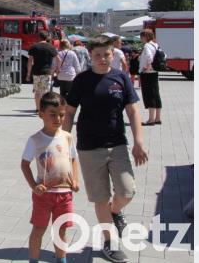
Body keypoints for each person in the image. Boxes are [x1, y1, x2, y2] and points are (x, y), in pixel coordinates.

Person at [62, 35, 148, 263]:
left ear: (113, 54)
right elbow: (70, 112)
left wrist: (138, 141)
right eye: (97, 55)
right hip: (89, 147)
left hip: (117, 144)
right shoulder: (82, 80)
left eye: (106, 54)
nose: (102, 59)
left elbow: (132, 111)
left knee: (127, 191)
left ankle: (115, 210)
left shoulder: (120, 78)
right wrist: (64, 139)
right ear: (90, 56)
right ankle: (110, 243)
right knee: (100, 197)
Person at [21, 92, 79, 263]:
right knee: (39, 228)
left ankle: (61, 259)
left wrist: (75, 180)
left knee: (61, 229)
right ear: (41, 114)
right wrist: (33, 186)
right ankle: (33, 259)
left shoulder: (67, 137)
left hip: (65, 194)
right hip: (43, 195)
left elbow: (73, 158)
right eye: (52, 115)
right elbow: (24, 164)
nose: (58, 119)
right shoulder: (35, 140)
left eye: (62, 115)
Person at [27, 31, 59, 112]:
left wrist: (28, 73)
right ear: (47, 37)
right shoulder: (51, 47)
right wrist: (56, 70)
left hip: (36, 72)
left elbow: (30, 61)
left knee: (37, 92)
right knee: (45, 92)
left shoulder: (34, 47)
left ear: (39, 37)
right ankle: (44, 109)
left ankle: (38, 109)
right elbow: (58, 59)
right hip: (47, 72)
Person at [139, 29, 163, 125]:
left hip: (148, 73)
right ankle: (157, 118)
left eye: (141, 36)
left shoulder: (147, 45)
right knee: (156, 94)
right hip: (155, 72)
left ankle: (151, 119)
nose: (141, 38)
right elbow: (164, 55)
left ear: (145, 36)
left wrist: (147, 68)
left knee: (149, 95)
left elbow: (149, 57)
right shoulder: (156, 45)